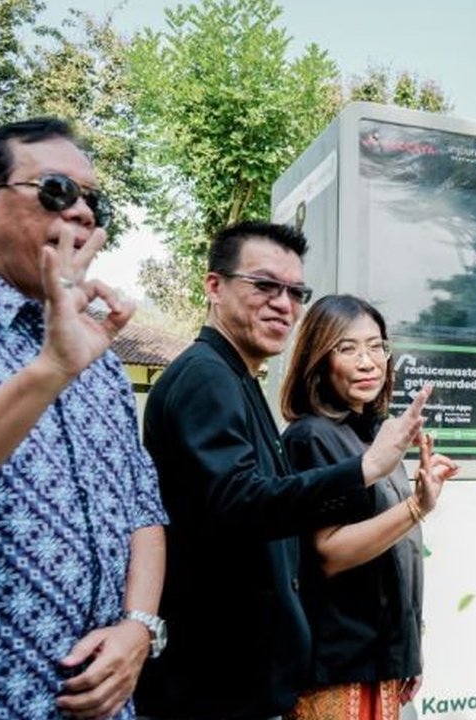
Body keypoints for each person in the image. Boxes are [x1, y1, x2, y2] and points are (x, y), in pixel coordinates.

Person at [0, 118, 167, 719]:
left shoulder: (100, 353)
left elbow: (143, 509)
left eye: (92, 201)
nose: (81, 213)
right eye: (56, 191)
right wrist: (49, 370)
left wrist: (139, 628)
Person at [137, 222, 431, 720]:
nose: (283, 304)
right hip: (215, 680)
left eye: (296, 292)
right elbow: (242, 504)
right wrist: (365, 469)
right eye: (265, 286)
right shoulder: (206, 375)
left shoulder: (235, 376)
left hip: (248, 676)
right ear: (215, 286)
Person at [279, 295, 458, 720]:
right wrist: (416, 507)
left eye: (376, 346)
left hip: (382, 663)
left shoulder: (377, 435)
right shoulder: (311, 436)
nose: (368, 362)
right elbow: (329, 554)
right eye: (348, 348)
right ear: (318, 358)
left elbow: (397, 557)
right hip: (336, 670)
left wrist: (407, 650)